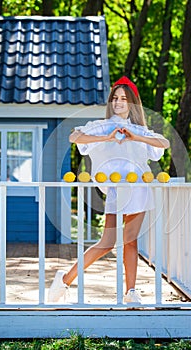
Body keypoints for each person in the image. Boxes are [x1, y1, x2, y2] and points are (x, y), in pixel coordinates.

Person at [48, 76, 170, 304]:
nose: (118, 102)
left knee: (131, 242)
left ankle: (131, 291)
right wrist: (107, 136)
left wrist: (136, 136)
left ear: (133, 102)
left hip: (138, 191)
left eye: (124, 98)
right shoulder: (102, 125)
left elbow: (164, 144)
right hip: (116, 191)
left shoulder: (140, 129)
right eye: (115, 98)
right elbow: (74, 136)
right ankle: (64, 279)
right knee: (107, 243)